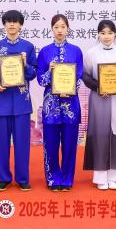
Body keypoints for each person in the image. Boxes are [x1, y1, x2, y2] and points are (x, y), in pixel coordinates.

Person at [0, 10, 37, 191]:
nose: (12, 25)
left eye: (15, 22)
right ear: (4, 25)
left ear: (21, 25)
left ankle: (22, 178)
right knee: (1, 143)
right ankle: (3, 178)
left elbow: (33, 73)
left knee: (22, 143)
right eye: (8, 22)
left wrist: (25, 65)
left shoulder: (28, 47)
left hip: (22, 103)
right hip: (2, 102)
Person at [82, 20, 116, 190]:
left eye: (110, 33)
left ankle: (115, 177)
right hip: (99, 98)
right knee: (100, 134)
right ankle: (101, 176)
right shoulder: (91, 53)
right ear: (98, 34)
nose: (106, 36)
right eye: (103, 33)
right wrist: (99, 87)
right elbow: (86, 76)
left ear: (115, 34)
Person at [37, 14, 83, 192]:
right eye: (56, 27)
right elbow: (41, 80)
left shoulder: (76, 51)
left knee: (70, 144)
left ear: (68, 29)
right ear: (51, 29)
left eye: (63, 27)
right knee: (51, 144)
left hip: (71, 104)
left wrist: (70, 89)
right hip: (51, 106)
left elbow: (78, 77)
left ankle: (67, 179)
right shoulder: (45, 52)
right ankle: (53, 179)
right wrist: (50, 71)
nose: (60, 30)